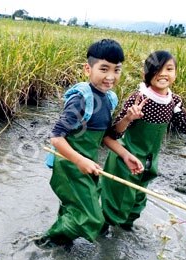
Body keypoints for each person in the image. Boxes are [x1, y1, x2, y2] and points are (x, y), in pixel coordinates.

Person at [35, 39, 143, 248]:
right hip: (69, 165)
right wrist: (80, 161)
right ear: (88, 69)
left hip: (87, 164)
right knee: (92, 217)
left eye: (117, 70)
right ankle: (45, 243)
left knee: (74, 208)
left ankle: (61, 246)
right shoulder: (81, 99)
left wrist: (125, 153)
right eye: (104, 69)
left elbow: (106, 136)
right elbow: (56, 137)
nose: (110, 76)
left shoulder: (109, 98)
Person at [101, 50, 186, 231]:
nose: (163, 74)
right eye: (157, 69)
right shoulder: (139, 98)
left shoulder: (173, 101)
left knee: (138, 200)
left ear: (176, 73)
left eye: (169, 69)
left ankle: (124, 232)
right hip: (127, 158)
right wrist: (129, 118)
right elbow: (113, 133)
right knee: (117, 200)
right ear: (145, 73)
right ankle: (102, 233)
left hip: (149, 161)